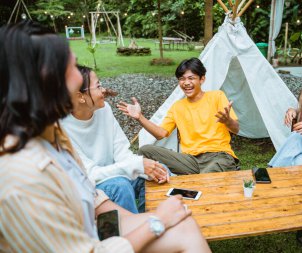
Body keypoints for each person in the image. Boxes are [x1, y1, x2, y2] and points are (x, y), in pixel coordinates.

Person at [0, 21, 211, 253]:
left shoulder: (54, 137)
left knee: (185, 224)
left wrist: (151, 217)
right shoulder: (21, 178)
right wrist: (155, 222)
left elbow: (96, 198)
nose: (80, 69)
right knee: (124, 187)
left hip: (99, 225)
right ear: (46, 82)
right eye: (69, 66)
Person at [61, 65, 169, 213]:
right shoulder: (60, 127)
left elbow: (122, 153)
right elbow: (90, 175)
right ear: (80, 96)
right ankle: (132, 232)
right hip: (87, 189)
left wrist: (145, 167)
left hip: (115, 175)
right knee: (120, 186)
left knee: (160, 170)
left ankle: (150, 222)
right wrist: (138, 165)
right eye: (98, 86)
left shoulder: (104, 110)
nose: (104, 90)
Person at [118, 57, 240, 175]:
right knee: (145, 151)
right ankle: (183, 178)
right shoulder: (177, 107)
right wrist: (140, 117)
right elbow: (160, 134)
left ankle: (199, 179)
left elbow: (236, 128)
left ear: (202, 79)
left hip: (218, 155)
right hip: (189, 160)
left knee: (204, 181)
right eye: (182, 79)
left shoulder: (217, 96)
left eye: (191, 78)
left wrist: (228, 120)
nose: (186, 83)